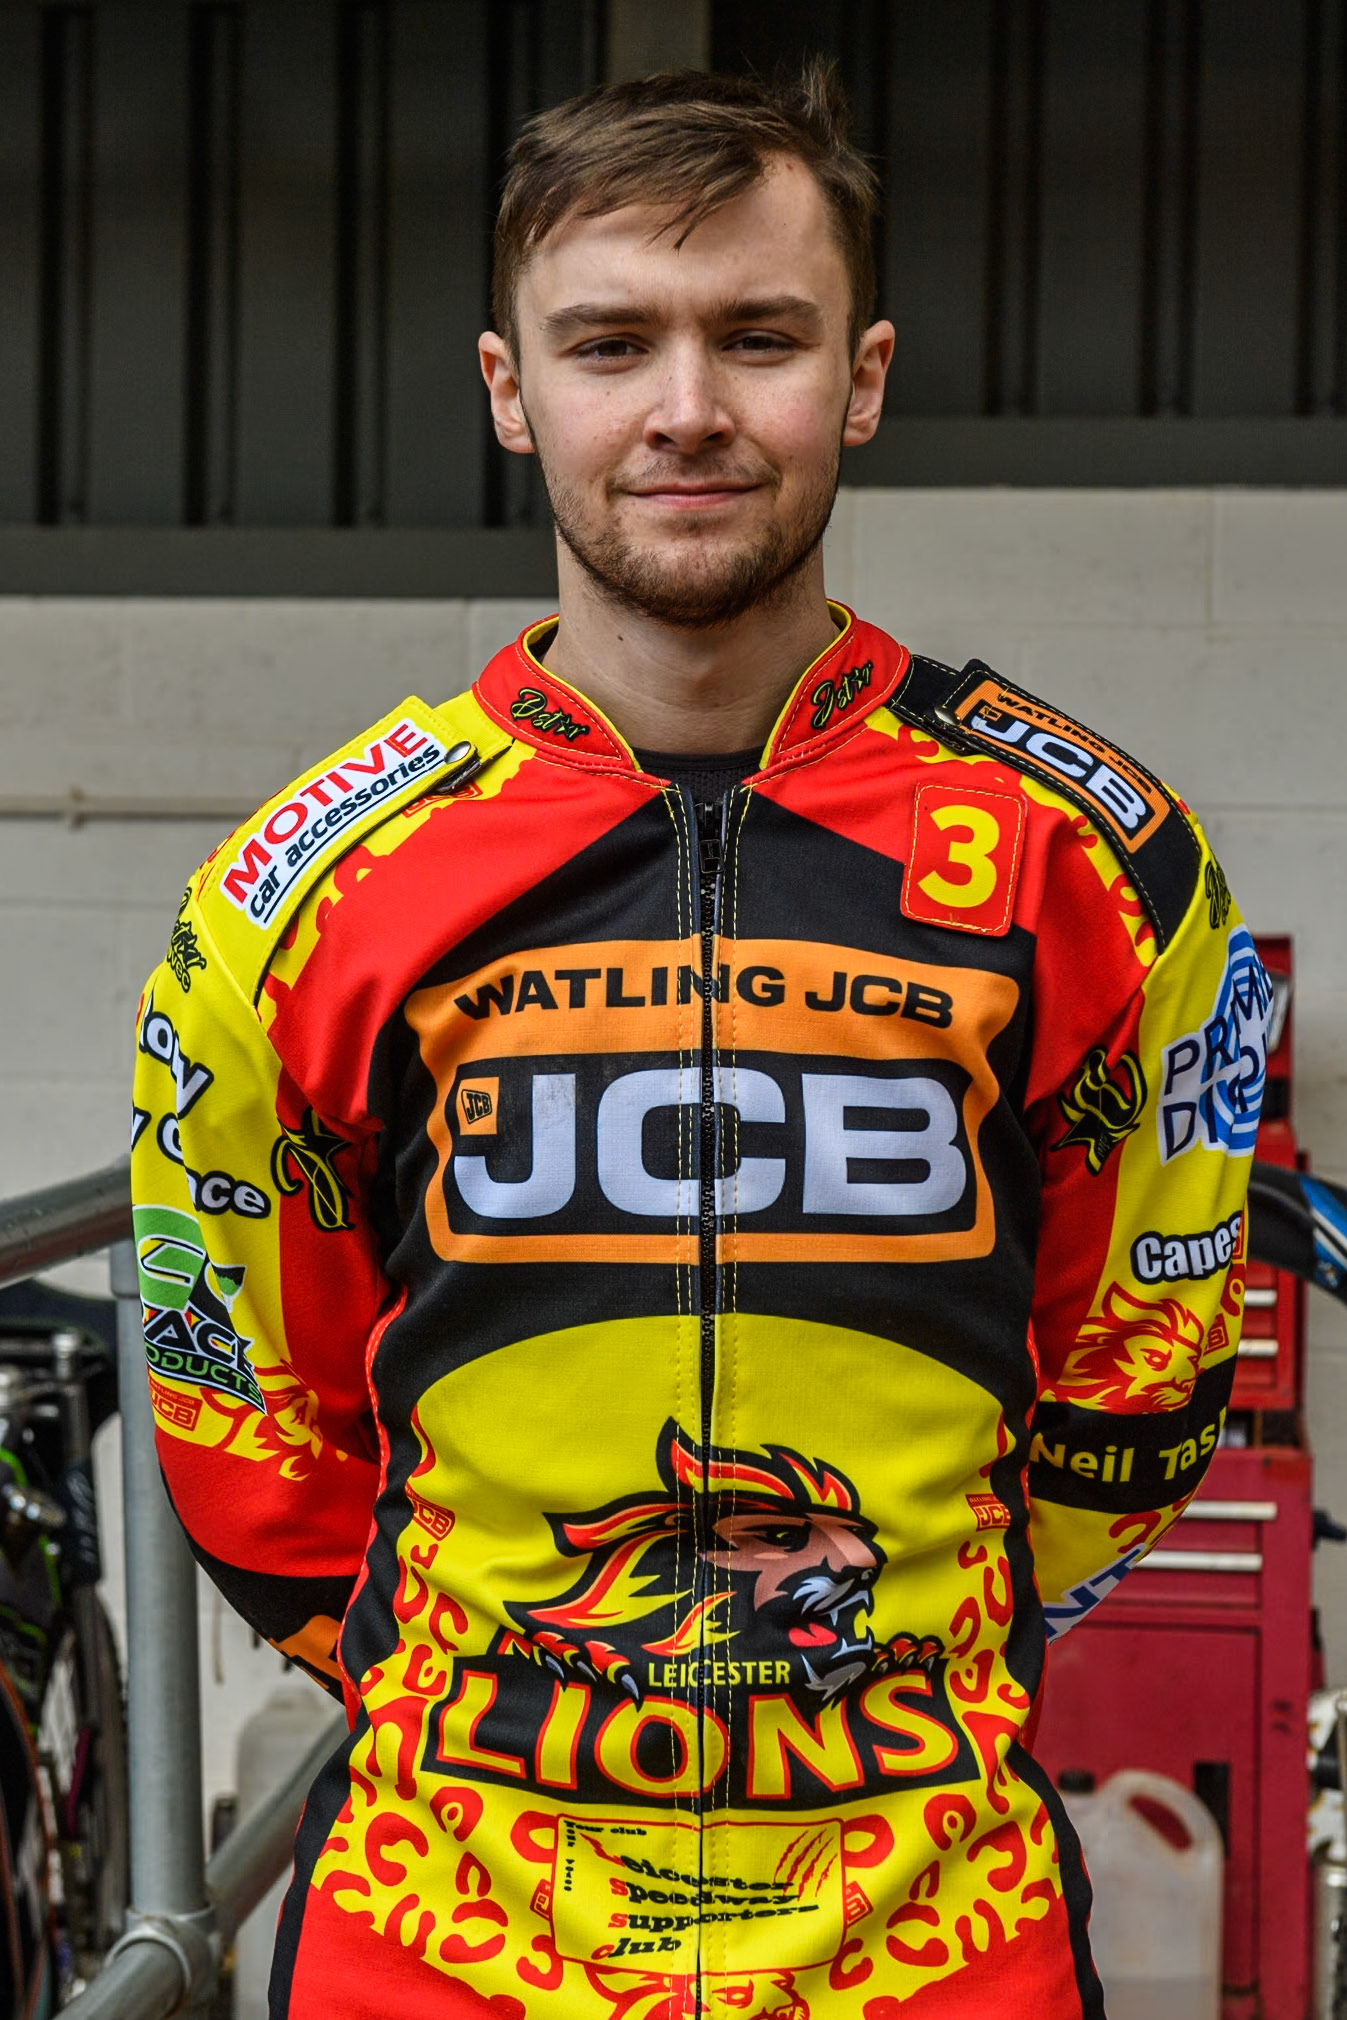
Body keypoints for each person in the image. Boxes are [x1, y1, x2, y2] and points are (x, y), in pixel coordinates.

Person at [130, 63, 1268, 2020]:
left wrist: (879, 1668)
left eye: (757, 336)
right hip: (449, 1922)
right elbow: (243, 1386)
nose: (684, 407)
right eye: (608, 342)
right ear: (509, 389)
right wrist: (493, 1701)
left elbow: (1141, 1365)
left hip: (934, 1917)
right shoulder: (300, 888)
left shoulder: (1105, 857)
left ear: (863, 375)